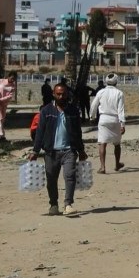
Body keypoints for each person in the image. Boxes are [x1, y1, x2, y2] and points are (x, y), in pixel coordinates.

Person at [29, 83, 87, 216]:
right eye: (58, 94)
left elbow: (77, 132)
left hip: (69, 150)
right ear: (54, 94)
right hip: (51, 151)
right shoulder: (46, 111)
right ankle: (53, 204)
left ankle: (68, 204)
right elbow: (40, 132)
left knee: (70, 176)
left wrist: (81, 150)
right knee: (51, 179)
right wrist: (35, 151)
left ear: (67, 94)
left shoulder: (73, 111)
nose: (61, 96)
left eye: (64, 94)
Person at [88, 73, 126, 173]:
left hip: (103, 119)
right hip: (115, 119)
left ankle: (103, 167)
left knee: (102, 143)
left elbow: (94, 105)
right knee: (117, 144)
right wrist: (122, 124)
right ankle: (117, 164)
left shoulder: (101, 92)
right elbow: (121, 109)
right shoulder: (119, 93)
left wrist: (92, 117)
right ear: (116, 82)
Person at [0, 72, 16, 142]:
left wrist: (0, 100)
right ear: (8, 76)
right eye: (12, 78)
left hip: (4, 104)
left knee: (2, 120)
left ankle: (0, 135)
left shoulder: (13, 86)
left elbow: (9, 96)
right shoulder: (0, 81)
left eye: (14, 79)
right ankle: (1, 135)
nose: (12, 80)